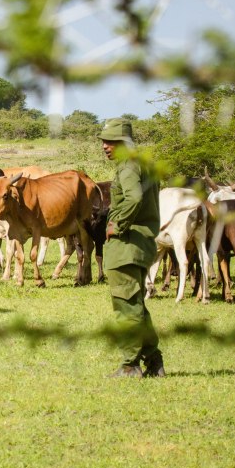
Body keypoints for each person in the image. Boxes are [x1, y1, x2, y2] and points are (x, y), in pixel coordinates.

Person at [100, 117, 163, 378]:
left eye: (111, 142)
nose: (105, 146)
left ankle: (130, 364)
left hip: (126, 245)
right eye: (104, 141)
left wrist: (118, 224)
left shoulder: (128, 166)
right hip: (142, 244)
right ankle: (154, 361)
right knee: (136, 304)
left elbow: (134, 197)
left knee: (126, 306)